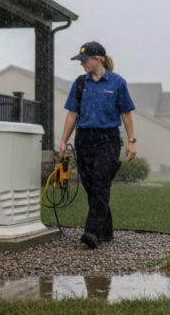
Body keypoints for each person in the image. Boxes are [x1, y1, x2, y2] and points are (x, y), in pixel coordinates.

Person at [58, 41, 136, 249]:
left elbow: (126, 114)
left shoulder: (117, 83)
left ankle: (91, 232)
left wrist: (131, 141)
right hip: (84, 138)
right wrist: (63, 140)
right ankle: (106, 230)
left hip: (108, 139)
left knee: (101, 183)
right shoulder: (80, 83)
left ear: (97, 59)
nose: (81, 64)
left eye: (84, 60)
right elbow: (72, 114)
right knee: (91, 187)